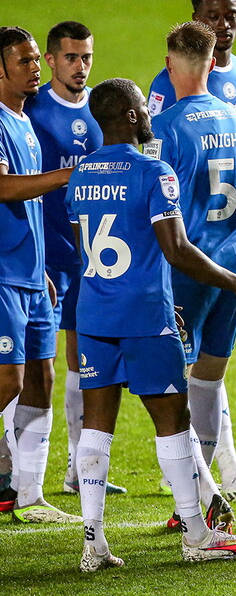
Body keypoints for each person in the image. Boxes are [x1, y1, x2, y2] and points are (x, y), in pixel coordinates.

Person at [66, 76, 236, 571]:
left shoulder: (80, 175)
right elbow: (177, 251)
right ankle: (196, 533)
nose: (151, 113)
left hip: (94, 313)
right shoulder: (154, 172)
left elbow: (80, 245)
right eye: (144, 106)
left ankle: (93, 541)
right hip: (144, 315)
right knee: (172, 422)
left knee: (97, 425)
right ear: (133, 116)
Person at [148, 0, 236, 503]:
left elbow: (152, 185)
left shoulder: (179, 118)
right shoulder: (229, 119)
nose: (223, 25)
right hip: (230, 257)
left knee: (177, 385)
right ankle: (216, 480)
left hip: (191, 261)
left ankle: (197, 497)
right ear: (198, 19)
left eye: (231, 15)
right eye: (213, 16)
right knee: (209, 378)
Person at [22, 21, 125, 497]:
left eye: (86, 57)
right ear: (50, 60)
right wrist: (36, 259)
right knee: (36, 367)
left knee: (86, 360)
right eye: (70, 58)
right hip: (48, 257)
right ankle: (24, 480)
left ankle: (77, 468)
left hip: (95, 256)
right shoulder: (34, 111)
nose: (80, 66)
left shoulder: (103, 108)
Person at [0, 26, 80, 523]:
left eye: (36, 60)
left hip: (31, 274)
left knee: (41, 379)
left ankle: (29, 495)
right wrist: (67, 175)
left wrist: (44, 267)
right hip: (2, 273)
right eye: (26, 61)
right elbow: (4, 187)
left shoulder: (25, 123)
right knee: (7, 379)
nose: (35, 68)